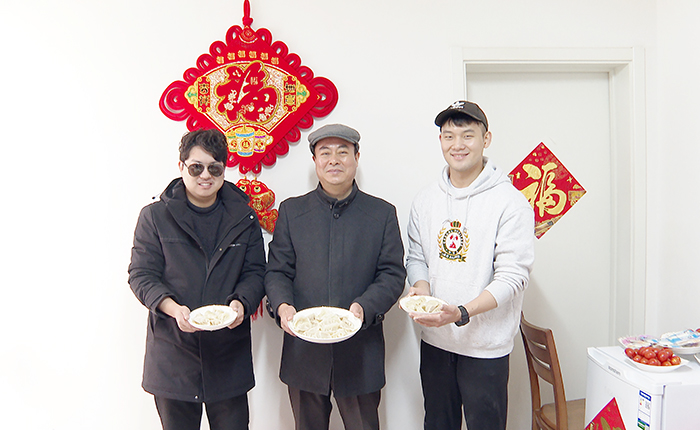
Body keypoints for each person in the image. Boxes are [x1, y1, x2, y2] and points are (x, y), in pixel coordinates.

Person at [265, 123, 406, 430]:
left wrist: (364, 307)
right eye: (325, 153)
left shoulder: (381, 214)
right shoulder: (292, 211)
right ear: (315, 160)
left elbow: (392, 274)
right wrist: (283, 306)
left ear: (356, 158)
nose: (334, 160)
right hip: (303, 353)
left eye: (343, 152)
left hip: (360, 353)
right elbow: (277, 271)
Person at [405, 101, 535, 430]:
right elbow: (417, 256)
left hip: (486, 347)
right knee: (437, 424)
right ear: (440, 141)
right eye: (449, 136)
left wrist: (462, 312)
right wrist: (422, 292)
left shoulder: (510, 202)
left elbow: (513, 276)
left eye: (467, 135)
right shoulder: (425, 199)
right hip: (435, 342)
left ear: (486, 139)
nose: (458, 145)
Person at [128, 128, 266, 430]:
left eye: (214, 168)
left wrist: (241, 304)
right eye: (196, 167)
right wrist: (173, 309)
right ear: (181, 166)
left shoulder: (244, 218)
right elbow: (141, 274)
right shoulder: (155, 217)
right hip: (173, 352)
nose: (206, 175)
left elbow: (256, 272)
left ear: (224, 170)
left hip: (228, 353)